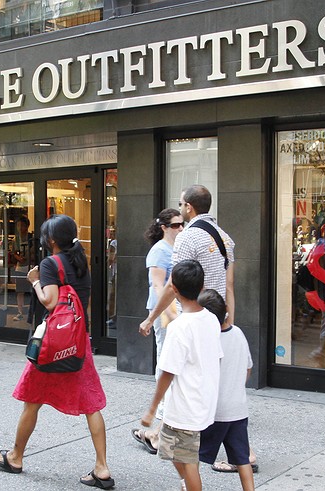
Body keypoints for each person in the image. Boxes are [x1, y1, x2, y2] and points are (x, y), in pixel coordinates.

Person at [0, 214, 114, 490]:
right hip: (77, 341)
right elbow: (84, 301)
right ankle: (102, 467)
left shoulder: (49, 264)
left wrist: (34, 280)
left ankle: (16, 457)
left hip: (52, 344)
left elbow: (50, 301)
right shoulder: (81, 263)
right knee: (91, 404)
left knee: (32, 400)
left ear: (52, 240)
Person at [141, 260, 222, 491]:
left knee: (188, 463)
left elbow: (168, 371)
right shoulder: (210, 319)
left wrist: (152, 408)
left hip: (185, 407)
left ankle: (190, 485)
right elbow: (216, 358)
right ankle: (187, 485)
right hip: (200, 400)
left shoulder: (179, 327)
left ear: (173, 289)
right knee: (173, 451)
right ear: (202, 285)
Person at [140, 185, 235, 334]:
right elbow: (229, 285)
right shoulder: (225, 237)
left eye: (180, 203)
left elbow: (173, 284)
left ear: (189, 207)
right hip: (219, 319)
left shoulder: (187, 237)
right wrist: (230, 324)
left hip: (194, 319)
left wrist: (150, 319)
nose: (180, 207)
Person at [132, 208, 184, 453]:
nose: (180, 229)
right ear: (163, 227)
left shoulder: (176, 248)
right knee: (165, 363)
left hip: (177, 314)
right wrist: (167, 316)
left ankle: (166, 418)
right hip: (166, 315)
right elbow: (157, 286)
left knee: (173, 364)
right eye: (175, 225)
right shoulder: (159, 251)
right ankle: (163, 416)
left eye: (182, 224)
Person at [197, 289, 256, 490]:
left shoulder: (209, 341)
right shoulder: (238, 333)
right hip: (238, 408)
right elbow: (248, 367)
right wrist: (237, 385)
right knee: (242, 459)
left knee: (192, 458)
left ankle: (188, 487)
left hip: (215, 412)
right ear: (227, 310)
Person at [9, 216, 35, 322]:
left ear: (27, 226)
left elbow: (34, 251)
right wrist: (19, 258)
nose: (20, 228)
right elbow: (14, 252)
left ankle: (32, 312)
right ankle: (20, 312)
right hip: (21, 266)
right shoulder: (16, 239)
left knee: (33, 290)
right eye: (18, 225)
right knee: (20, 291)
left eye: (22, 225)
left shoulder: (31, 238)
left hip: (31, 266)